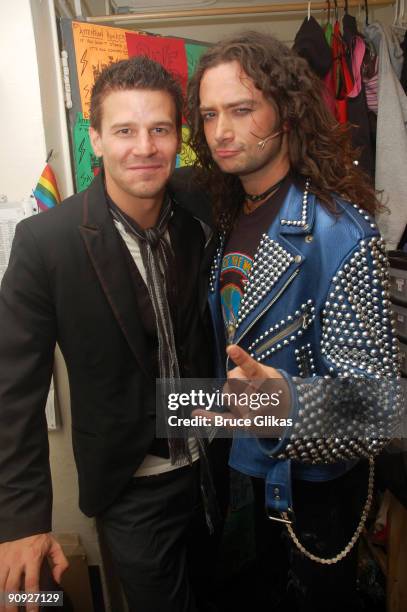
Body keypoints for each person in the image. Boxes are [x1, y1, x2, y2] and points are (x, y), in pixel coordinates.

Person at [186, 31, 401, 611]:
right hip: (243, 470)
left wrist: (285, 399)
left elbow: (380, 408)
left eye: (241, 109)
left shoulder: (338, 233)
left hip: (310, 496)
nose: (222, 132)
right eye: (209, 115)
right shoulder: (235, 210)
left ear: (285, 112)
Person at [0, 56, 223, 612]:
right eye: (124, 130)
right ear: (95, 138)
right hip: (131, 486)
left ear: (180, 139)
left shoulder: (204, 211)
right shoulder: (44, 242)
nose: (143, 147)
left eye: (160, 129)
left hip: (216, 468)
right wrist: (23, 522)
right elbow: (13, 391)